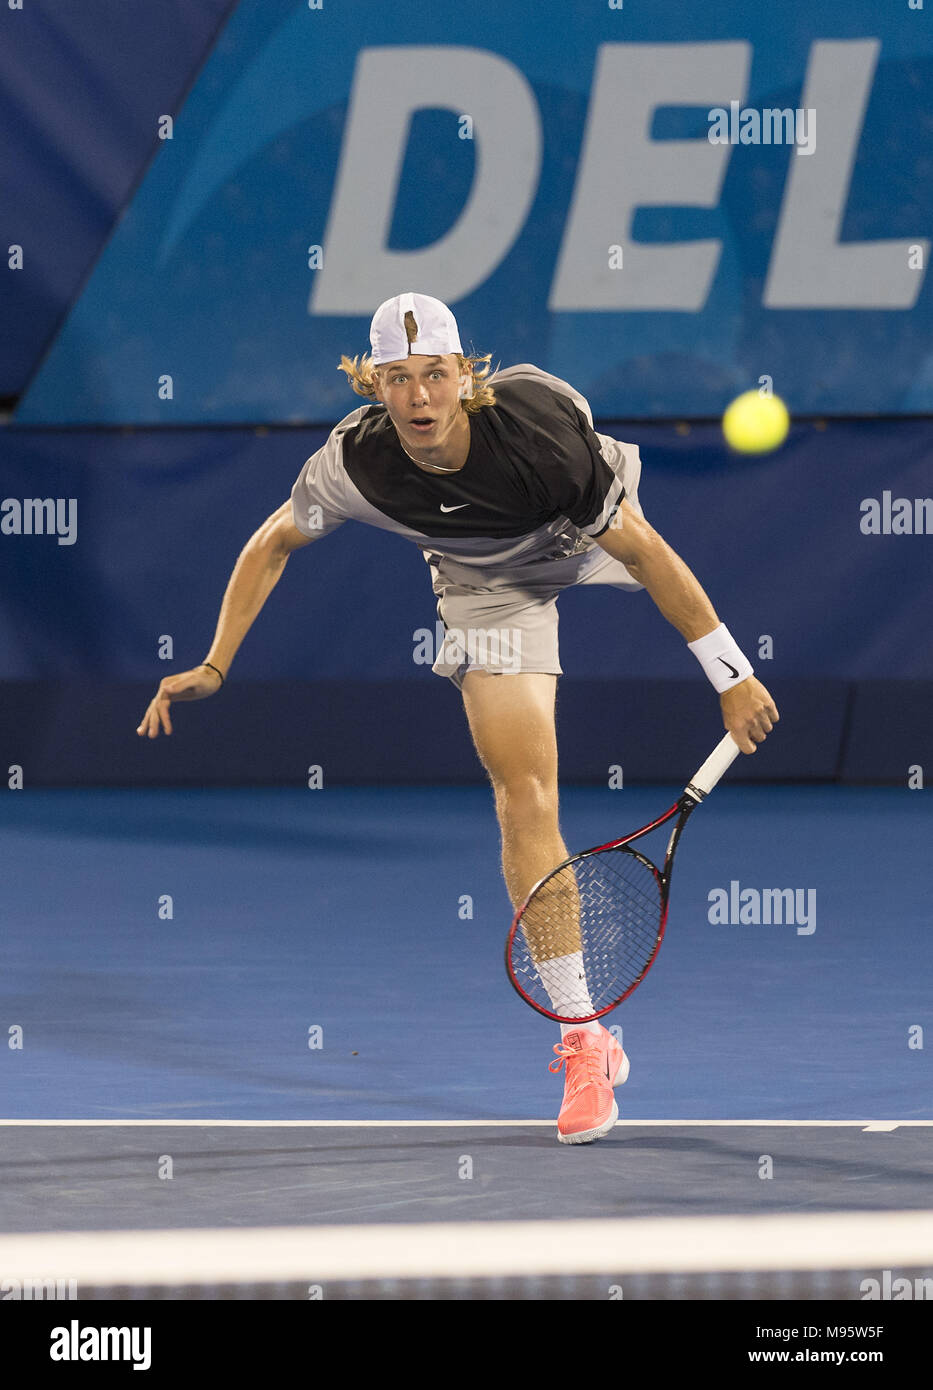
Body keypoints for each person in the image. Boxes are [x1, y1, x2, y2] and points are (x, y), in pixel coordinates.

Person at [136, 291, 779, 1145]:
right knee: (525, 797)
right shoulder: (357, 463)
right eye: (396, 379)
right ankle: (584, 1039)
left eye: (434, 374)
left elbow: (646, 555)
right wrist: (215, 662)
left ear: (463, 375)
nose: (418, 398)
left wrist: (730, 676)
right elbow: (271, 543)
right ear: (371, 384)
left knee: (617, 522)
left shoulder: (539, 441)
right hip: (486, 589)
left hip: (577, 529)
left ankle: (585, 1037)